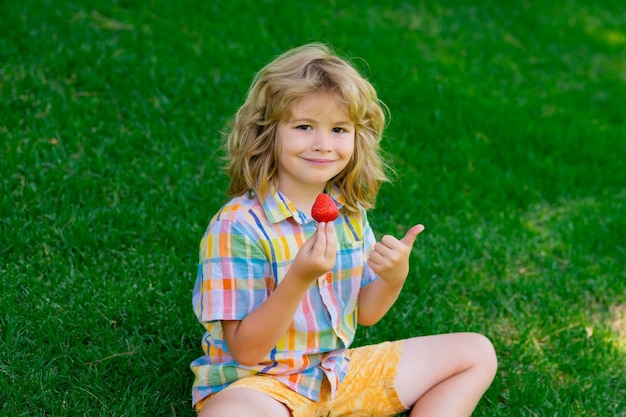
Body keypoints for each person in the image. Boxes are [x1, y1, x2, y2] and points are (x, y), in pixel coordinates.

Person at [190, 42, 497, 417]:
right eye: (304, 127)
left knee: (475, 352)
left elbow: (365, 312)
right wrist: (298, 279)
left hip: (334, 377)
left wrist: (393, 278)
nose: (323, 145)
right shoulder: (239, 226)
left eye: (338, 129)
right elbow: (246, 349)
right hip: (258, 388)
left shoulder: (347, 214)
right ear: (267, 133)